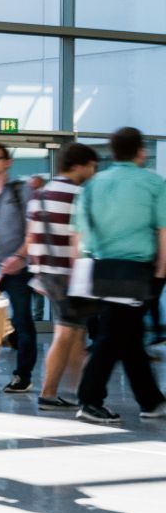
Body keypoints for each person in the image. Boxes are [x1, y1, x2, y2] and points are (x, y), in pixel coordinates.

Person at [71, 127, 166, 424]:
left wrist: (80, 267)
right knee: (113, 337)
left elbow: (79, 233)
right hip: (135, 270)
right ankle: (89, 400)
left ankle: (152, 401)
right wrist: (162, 270)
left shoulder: (93, 184)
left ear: (112, 153)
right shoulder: (152, 182)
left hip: (100, 268)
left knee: (128, 336)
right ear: (141, 151)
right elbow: (163, 231)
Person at [26, 142, 99, 413]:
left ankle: (76, 391)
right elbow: (80, 237)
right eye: (92, 166)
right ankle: (49, 393)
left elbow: (31, 235)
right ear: (78, 166)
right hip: (70, 271)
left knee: (77, 332)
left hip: (47, 270)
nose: (93, 172)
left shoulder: (41, 193)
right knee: (67, 332)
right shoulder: (80, 194)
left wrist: (37, 270)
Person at [0, 143, 40, 394]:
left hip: (17, 267)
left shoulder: (21, 191)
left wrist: (19, 256)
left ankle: (22, 376)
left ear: (8, 162)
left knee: (23, 320)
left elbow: (33, 230)